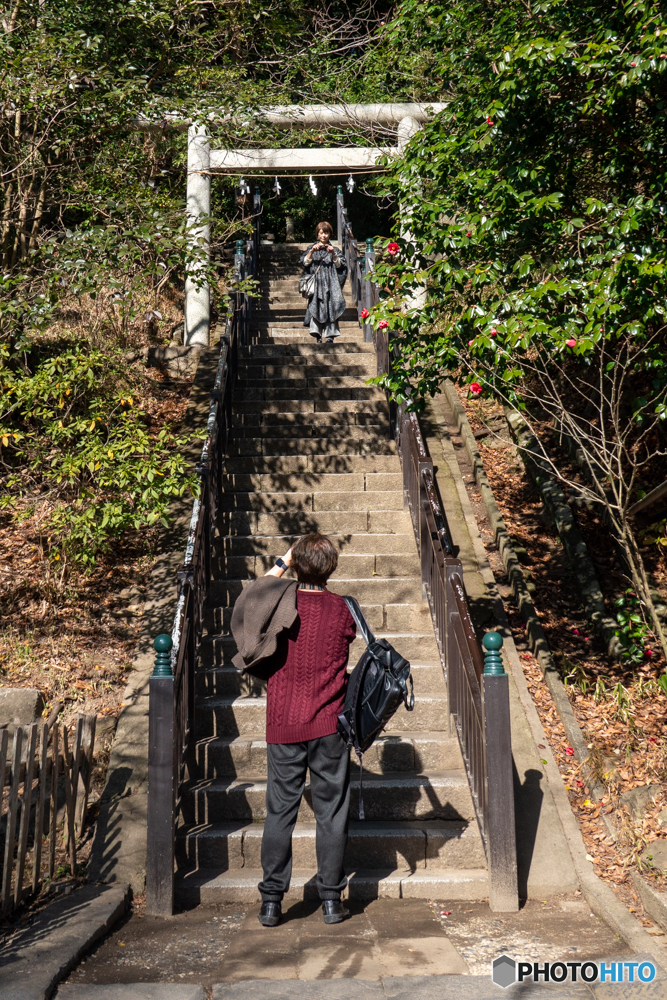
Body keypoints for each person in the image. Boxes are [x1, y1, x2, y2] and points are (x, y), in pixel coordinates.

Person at [230, 533, 356, 927]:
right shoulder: (342, 610)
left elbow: (251, 597)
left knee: (279, 811)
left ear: (298, 565)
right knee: (331, 812)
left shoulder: (279, 602)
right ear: (332, 567)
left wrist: (284, 562)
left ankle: (271, 901)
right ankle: (332, 900)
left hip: (283, 723)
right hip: (329, 724)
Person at [300, 221, 348, 343]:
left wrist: (333, 254)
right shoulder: (311, 248)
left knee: (332, 305)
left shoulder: (335, 249)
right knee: (315, 306)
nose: (323, 236)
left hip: (331, 282)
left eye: (326, 233)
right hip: (317, 283)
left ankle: (330, 335)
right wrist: (311, 252)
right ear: (317, 234)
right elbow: (304, 263)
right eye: (321, 233)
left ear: (330, 234)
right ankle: (318, 335)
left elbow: (341, 266)